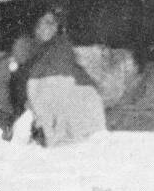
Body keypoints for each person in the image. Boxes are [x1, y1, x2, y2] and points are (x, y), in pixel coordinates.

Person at [7, 8, 107, 146]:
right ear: (36, 25)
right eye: (46, 22)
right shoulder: (25, 45)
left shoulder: (60, 46)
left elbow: (67, 74)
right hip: (33, 102)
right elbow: (19, 79)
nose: (51, 26)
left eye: (54, 23)